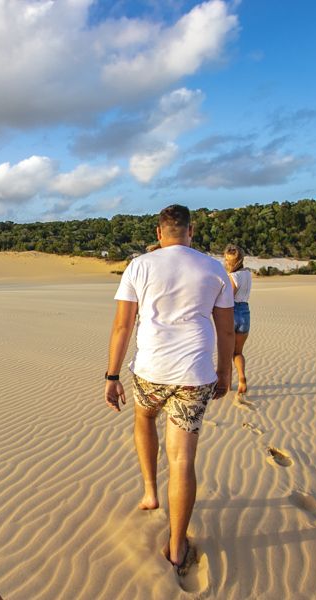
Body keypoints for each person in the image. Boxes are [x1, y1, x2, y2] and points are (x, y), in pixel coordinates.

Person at [104, 204, 235, 576]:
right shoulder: (214, 269)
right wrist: (224, 372)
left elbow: (122, 326)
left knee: (144, 419)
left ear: (159, 233)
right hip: (195, 373)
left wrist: (112, 375)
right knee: (182, 460)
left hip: (151, 370)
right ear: (190, 231)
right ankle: (177, 545)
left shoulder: (139, 266)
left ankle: (150, 492)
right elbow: (226, 329)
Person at [223, 244, 252, 401]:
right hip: (245, 313)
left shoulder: (233, 277)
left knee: (227, 353)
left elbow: (228, 298)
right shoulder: (247, 274)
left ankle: (228, 386)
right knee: (238, 352)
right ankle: (241, 377)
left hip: (232, 313)